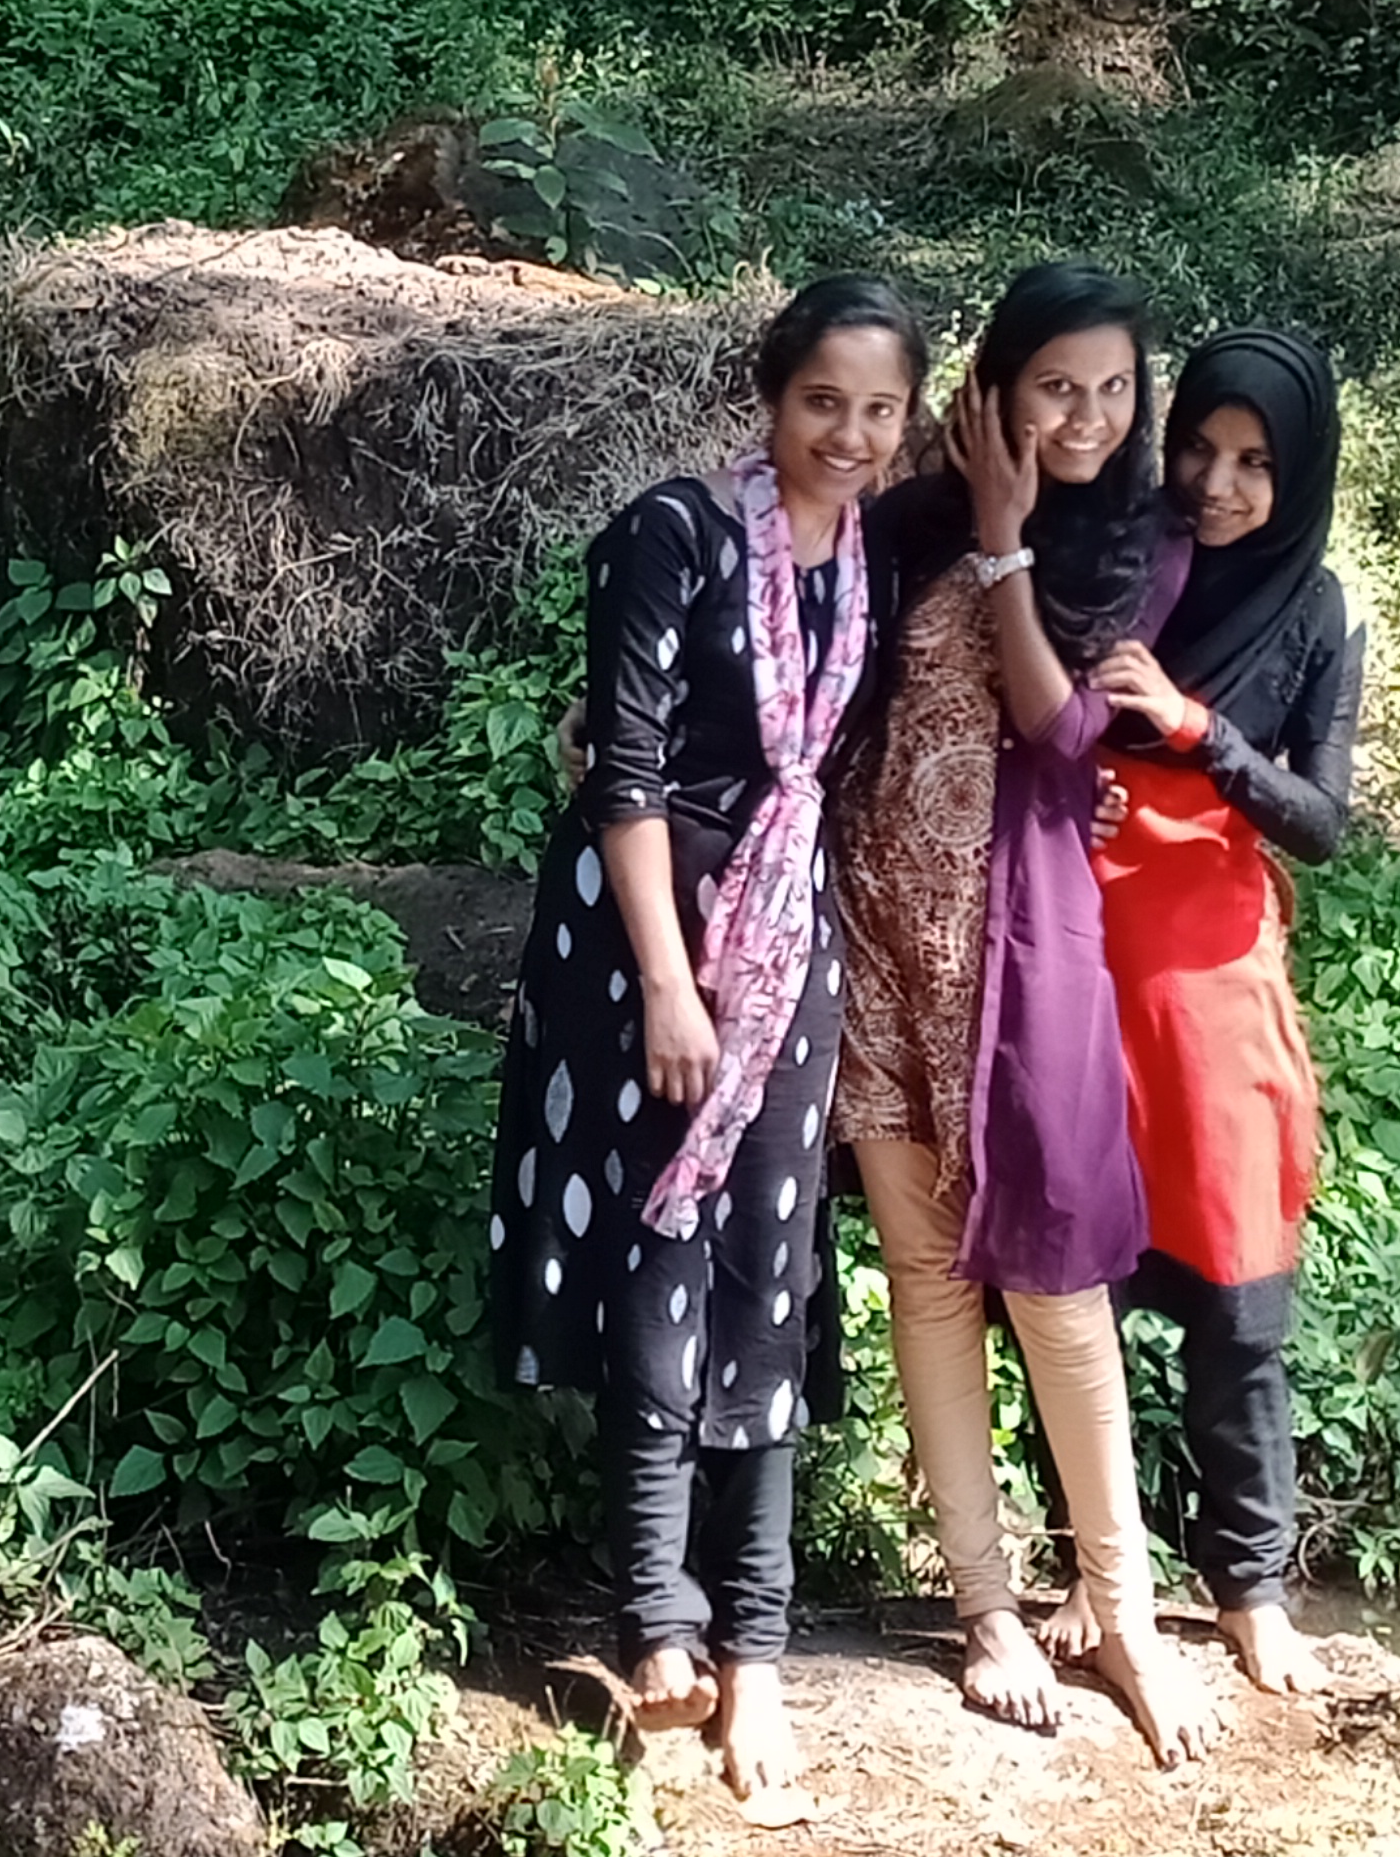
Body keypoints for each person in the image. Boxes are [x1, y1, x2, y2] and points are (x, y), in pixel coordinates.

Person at [493, 275, 923, 1825]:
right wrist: (672, 990)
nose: (849, 436)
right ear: (770, 394)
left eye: (880, 411)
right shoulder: (675, 536)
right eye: (823, 404)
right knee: (656, 1259)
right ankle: (658, 1620)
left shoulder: (877, 557)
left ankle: (757, 1653)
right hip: (645, 943)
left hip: (789, 940)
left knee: (768, 1273)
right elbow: (623, 768)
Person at [834, 261, 1219, 1764]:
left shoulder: (1134, 545)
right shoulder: (900, 522)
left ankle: (1122, 1612)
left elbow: (1063, 734)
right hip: (874, 931)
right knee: (927, 1281)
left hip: (1019, 946)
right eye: (1060, 386)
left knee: (1057, 1287)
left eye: (1115, 388)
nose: (1090, 416)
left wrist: (1005, 550)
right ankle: (986, 1606)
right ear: (995, 389)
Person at [1081, 326, 1361, 1696]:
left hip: (1215, 982)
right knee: (1073, 1291)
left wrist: (1200, 733)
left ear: (1298, 473)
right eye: (1198, 448)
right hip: (1079, 956)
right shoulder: (1117, 561)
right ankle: (1095, 1571)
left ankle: (1251, 1591)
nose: (1218, 483)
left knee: (1241, 1306)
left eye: (1256, 462)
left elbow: (1323, 820)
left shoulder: (1317, 612)